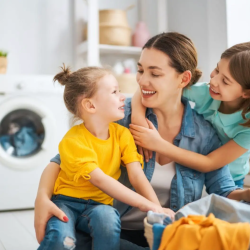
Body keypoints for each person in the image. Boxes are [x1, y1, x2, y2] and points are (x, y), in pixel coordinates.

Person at [35, 33, 250, 250]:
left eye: (155, 74)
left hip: (163, 236)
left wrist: (245, 194)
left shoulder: (204, 134)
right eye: (140, 70)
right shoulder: (118, 116)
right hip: (108, 231)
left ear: (183, 79)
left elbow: (222, 190)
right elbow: (62, 159)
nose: (142, 81)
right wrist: (42, 198)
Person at [37, 65, 167, 250]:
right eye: (114, 92)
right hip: (66, 202)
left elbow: (137, 175)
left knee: (107, 221)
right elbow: (100, 179)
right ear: (90, 105)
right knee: (62, 239)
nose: (122, 96)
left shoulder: (122, 134)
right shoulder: (73, 140)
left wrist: (157, 208)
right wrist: (146, 205)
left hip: (99, 206)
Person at [131, 41, 250, 188]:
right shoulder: (204, 92)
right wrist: (138, 119)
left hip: (230, 180)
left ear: (246, 93)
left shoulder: (248, 128)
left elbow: (209, 163)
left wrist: (158, 144)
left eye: (225, 81)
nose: (213, 81)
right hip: (195, 174)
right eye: (217, 70)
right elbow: (148, 89)